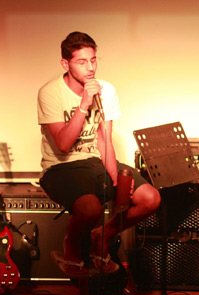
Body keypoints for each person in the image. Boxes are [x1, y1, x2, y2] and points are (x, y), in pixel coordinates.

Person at [37, 32, 161, 277]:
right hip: (61, 167)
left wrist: (115, 178)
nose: (90, 67)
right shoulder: (49, 93)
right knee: (90, 208)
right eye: (81, 62)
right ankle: (70, 244)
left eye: (93, 60)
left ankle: (102, 235)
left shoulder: (107, 90)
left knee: (150, 198)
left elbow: (104, 139)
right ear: (66, 64)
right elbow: (63, 143)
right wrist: (84, 103)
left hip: (95, 163)